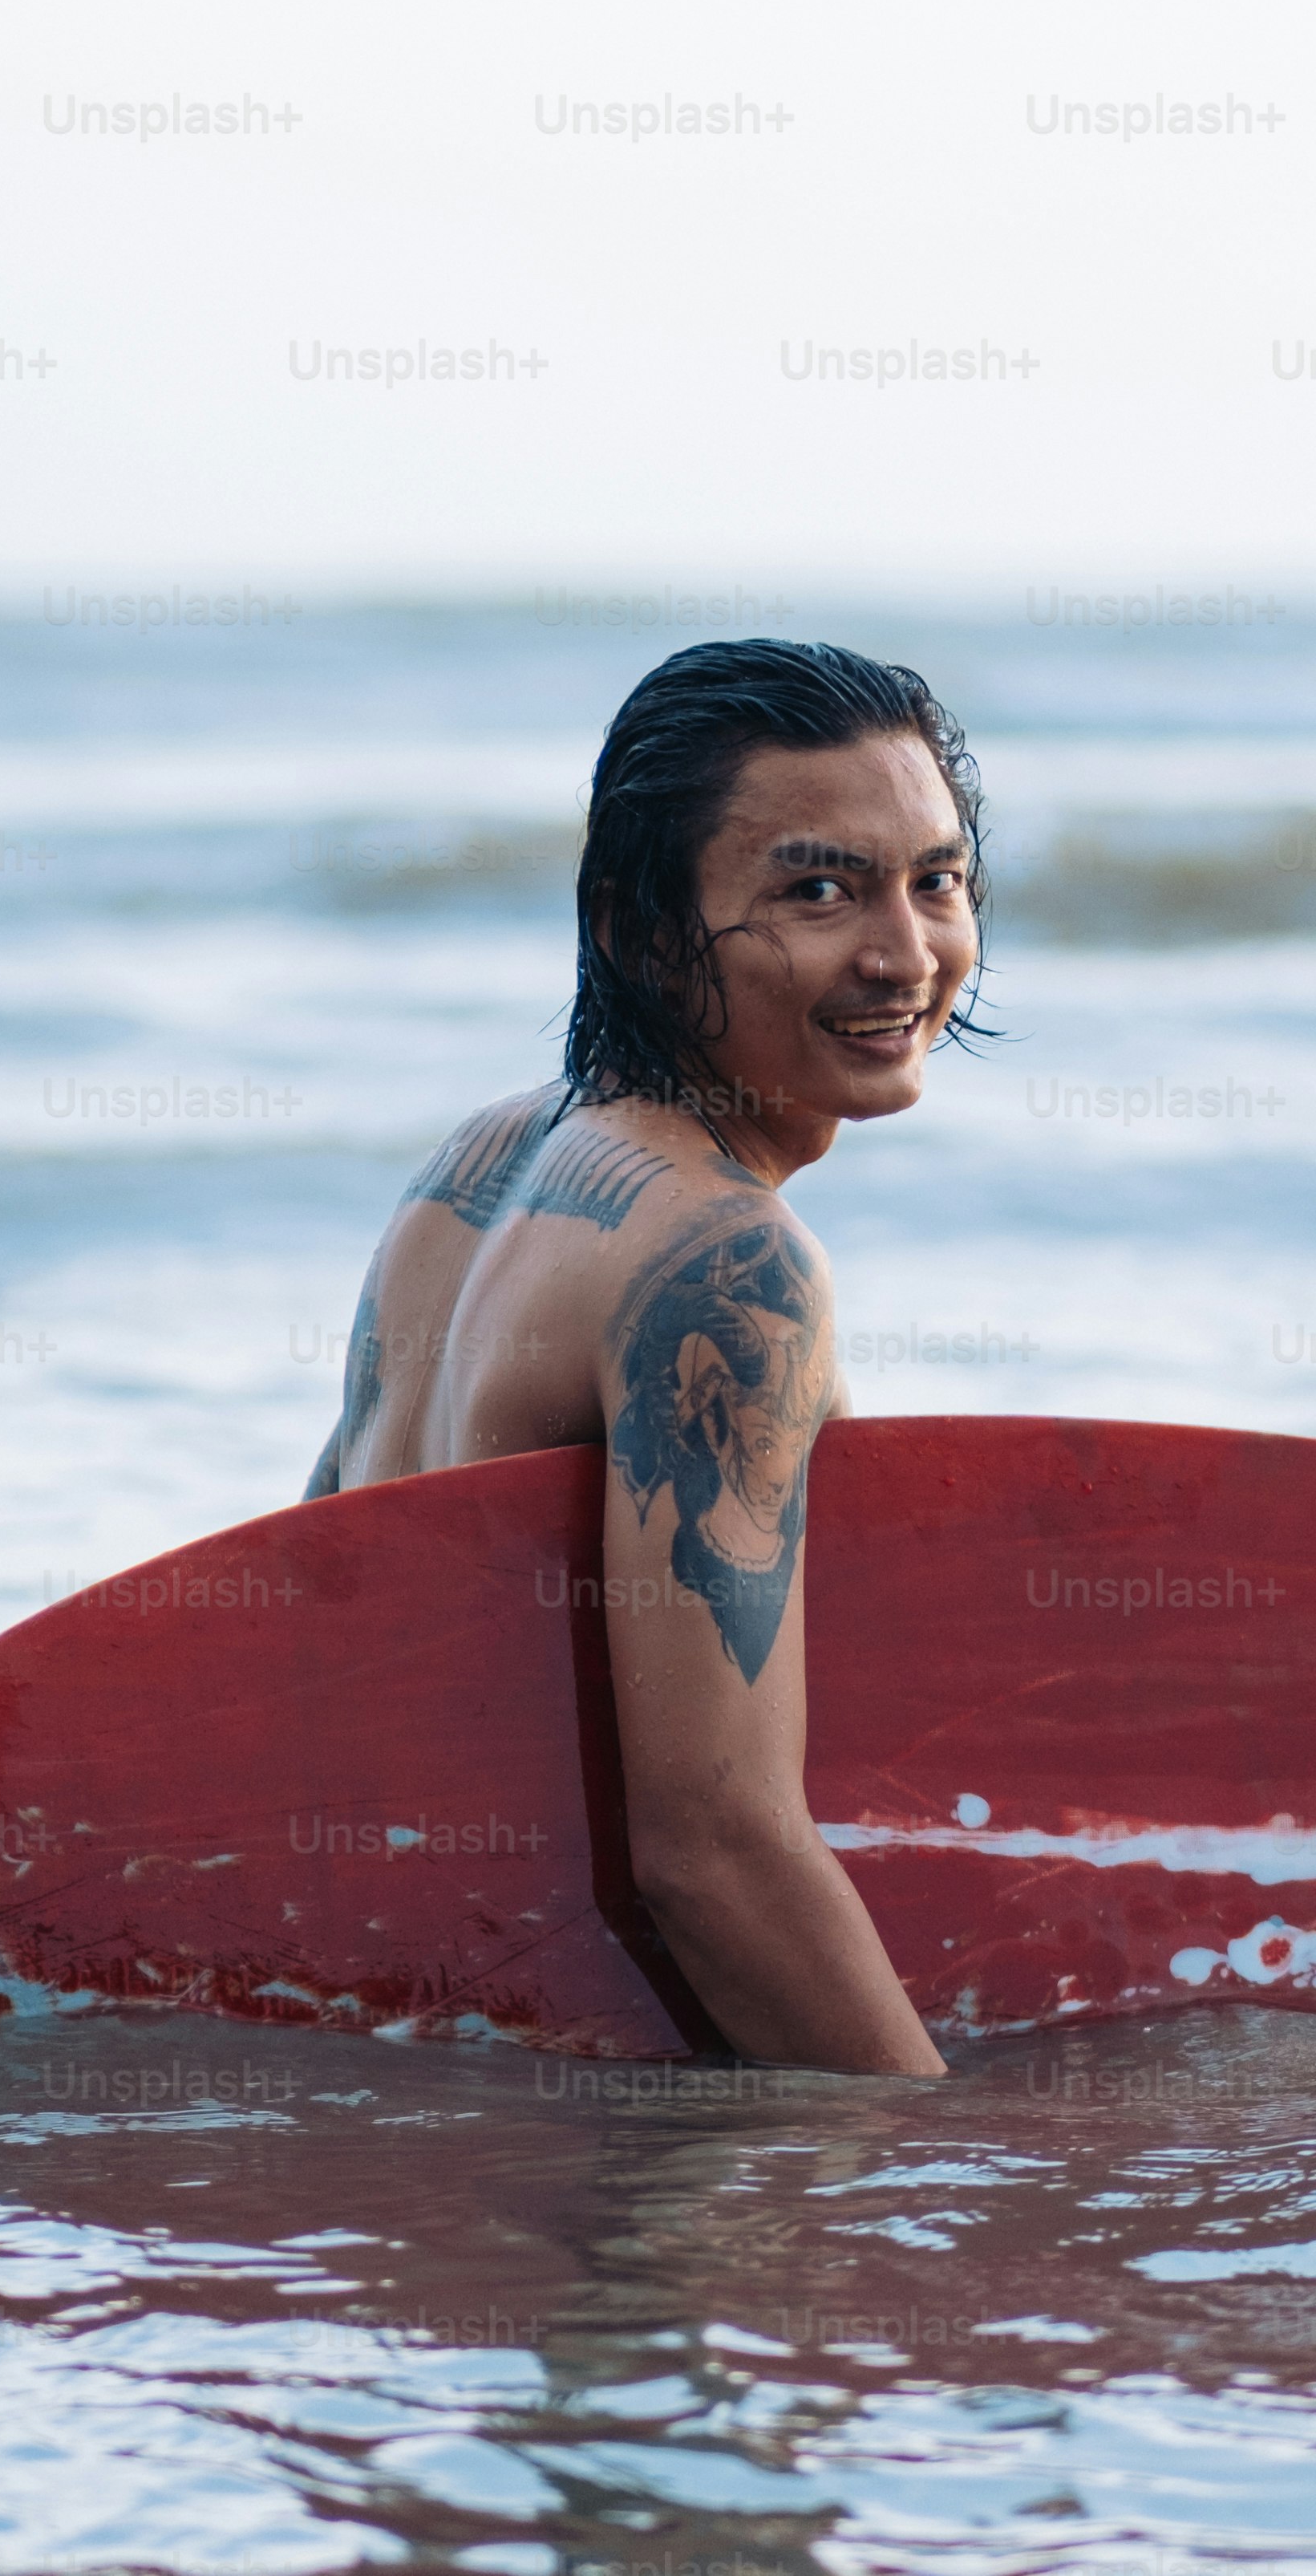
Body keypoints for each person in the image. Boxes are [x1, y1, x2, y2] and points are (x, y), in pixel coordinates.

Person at [305, 639, 975, 2075]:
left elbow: (316, 1625)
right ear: (636, 929)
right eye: (817, 890)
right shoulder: (727, 1269)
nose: (904, 953)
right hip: (604, 2063)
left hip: (469, 2029)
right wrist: (933, 2168)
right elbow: (714, 1854)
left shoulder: (478, 1168)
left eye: (935, 877)